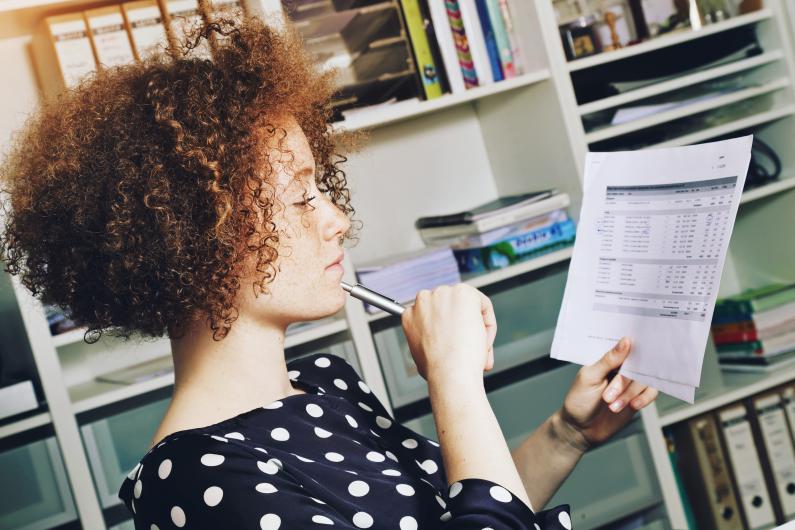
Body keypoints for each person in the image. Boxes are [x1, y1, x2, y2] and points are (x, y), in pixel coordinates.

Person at [0, 17, 658, 530]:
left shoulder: (325, 384)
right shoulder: (194, 481)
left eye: (323, 188)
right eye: (298, 196)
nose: (337, 219)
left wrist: (564, 435)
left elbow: (466, 512)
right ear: (204, 231)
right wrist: (454, 386)